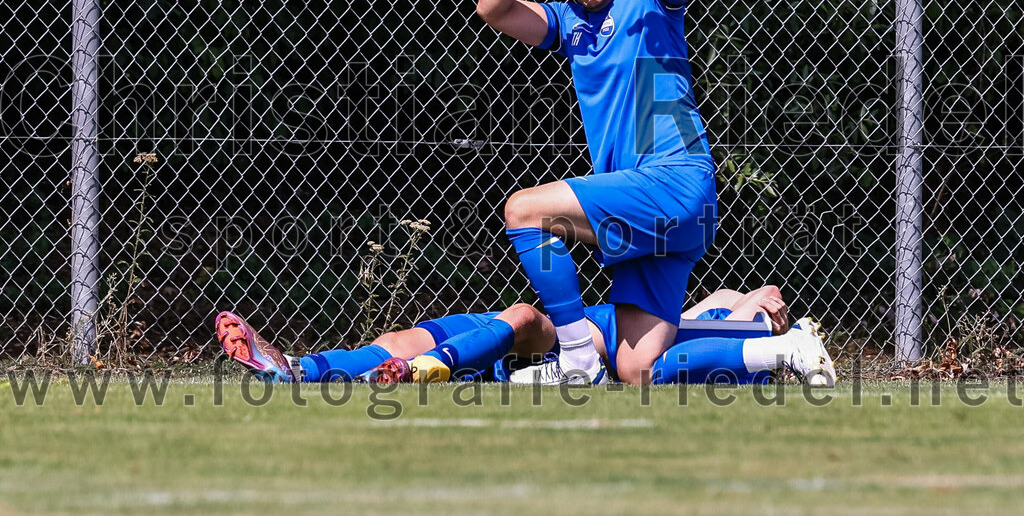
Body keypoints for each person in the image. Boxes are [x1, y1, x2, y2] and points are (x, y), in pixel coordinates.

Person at [476, 0, 718, 385]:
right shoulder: (567, 23)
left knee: (524, 210)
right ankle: (778, 349)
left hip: (673, 179)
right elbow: (492, 10)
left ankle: (578, 357)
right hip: (651, 207)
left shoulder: (650, 2)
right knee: (638, 369)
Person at [214, 285, 836, 386]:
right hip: (589, 333)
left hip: (579, 352)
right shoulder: (711, 311)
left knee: (518, 317)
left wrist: (765, 320)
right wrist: (752, 300)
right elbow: (719, 303)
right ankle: (294, 367)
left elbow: (715, 318)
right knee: (398, 337)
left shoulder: (698, 337)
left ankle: (431, 367)